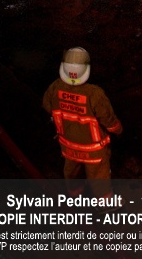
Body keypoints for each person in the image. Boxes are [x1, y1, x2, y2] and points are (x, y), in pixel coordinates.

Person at [43, 47, 122, 192]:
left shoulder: (55, 87)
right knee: (99, 177)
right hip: (94, 150)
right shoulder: (94, 94)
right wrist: (118, 130)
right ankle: (104, 201)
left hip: (68, 147)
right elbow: (108, 118)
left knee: (72, 174)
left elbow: (48, 106)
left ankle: (74, 196)